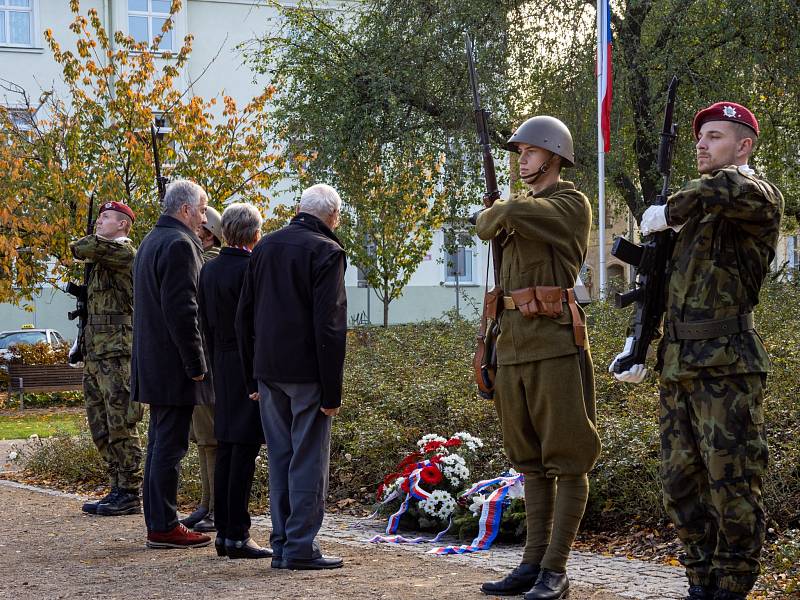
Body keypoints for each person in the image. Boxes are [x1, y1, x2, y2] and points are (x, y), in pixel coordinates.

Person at [609, 103, 783, 600]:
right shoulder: (694, 218)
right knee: (679, 484)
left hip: (728, 364)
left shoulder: (755, 198)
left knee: (733, 484)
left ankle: (732, 587)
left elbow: (731, 188)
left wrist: (670, 211)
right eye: (700, 138)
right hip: (678, 364)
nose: (702, 145)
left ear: (744, 146)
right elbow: (664, 286)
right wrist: (638, 342)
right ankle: (699, 582)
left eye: (715, 136)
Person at [474, 116, 600, 600]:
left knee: (568, 459)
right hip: (512, 346)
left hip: (554, 344)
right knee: (528, 461)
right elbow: (486, 225)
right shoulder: (516, 208)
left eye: (528, 151)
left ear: (553, 156)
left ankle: (556, 569)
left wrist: (503, 210)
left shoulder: (569, 202)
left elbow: (501, 217)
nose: (520, 160)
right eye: (518, 152)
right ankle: (531, 564)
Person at [236, 183, 347, 571]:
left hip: (268, 371)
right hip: (307, 373)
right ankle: (300, 545)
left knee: (281, 457)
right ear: (331, 216)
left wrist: (251, 376)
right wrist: (332, 390)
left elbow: (244, 315)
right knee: (308, 460)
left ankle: (282, 542)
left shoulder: (264, 246)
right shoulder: (327, 251)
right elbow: (330, 326)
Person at [131, 179, 214, 549]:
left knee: (159, 444)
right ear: (185, 209)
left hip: (154, 361)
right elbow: (184, 310)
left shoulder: (152, 240)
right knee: (169, 445)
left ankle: (160, 521)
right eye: (201, 208)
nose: (203, 216)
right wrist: (196, 363)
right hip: (173, 364)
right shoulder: (180, 245)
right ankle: (163, 525)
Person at [198, 203, 271, 560]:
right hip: (246, 365)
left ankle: (226, 532)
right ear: (255, 233)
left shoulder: (209, 270)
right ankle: (237, 533)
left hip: (220, 363)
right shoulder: (252, 268)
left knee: (227, 447)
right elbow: (255, 325)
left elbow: (204, 323)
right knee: (243, 451)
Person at [71, 201, 144, 517]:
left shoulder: (124, 254)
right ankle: (116, 484)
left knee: (121, 422)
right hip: (96, 352)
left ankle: (130, 489)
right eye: (98, 217)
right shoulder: (101, 257)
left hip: (118, 353)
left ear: (123, 226)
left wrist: (92, 238)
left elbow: (80, 246)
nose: (99, 222)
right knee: (99, 423)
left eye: (106, 218)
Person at [182, 205, 223, 533]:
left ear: (209, 234)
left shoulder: (208, 261)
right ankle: (206, 504)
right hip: (199, 362)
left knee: (211, 439)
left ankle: (215, 507)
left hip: (208, 362)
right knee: (203, 439)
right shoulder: (200, 258)